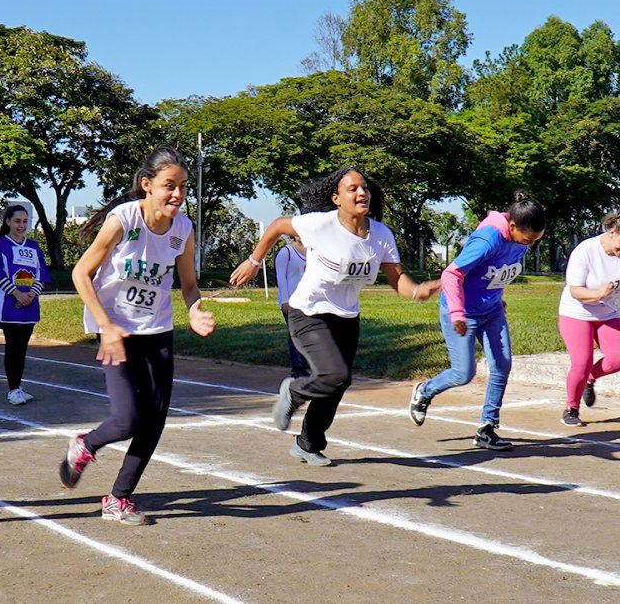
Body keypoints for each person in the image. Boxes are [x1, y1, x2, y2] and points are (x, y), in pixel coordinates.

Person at [231, 166, 439, 466]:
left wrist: (418, 290)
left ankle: (307, 443)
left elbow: (397, 279)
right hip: (308, 312)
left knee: (338, 383)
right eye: (352, 188)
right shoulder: (320, 225)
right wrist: (254, 261)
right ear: (336, 198)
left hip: (346, 317)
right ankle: (294, 390)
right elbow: (278, 225)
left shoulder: (380, 234)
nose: (361, 192)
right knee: (334, 374)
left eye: (364, 187)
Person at [58, 145, 215, 525]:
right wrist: (106, 327)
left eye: (182, 187)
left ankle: (118, 499)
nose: (177, 194)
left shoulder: (183, 229)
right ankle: (87, 443)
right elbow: (81, 274)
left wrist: (194, 311)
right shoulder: (124, 219)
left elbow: (189, 285)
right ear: (147, 185)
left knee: (155, 420)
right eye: (168, 186)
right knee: (128, 419)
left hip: (157, 330)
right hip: (117, 330)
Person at [409, 192, 546, 451]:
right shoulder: (488, 239)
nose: (530, 244)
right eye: (528, 239)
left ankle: (487, 428)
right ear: (513, 226)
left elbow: (496, 272)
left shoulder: (520, 239)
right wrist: (458, 313)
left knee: (502, 365)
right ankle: (424, 391)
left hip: (492, 310)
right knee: (463, 373)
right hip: (462, 312)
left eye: (535, 240)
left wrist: (497, 296)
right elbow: (452, 273)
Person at [557, 210, 620, 426]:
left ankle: (590, 378)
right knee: (582, 362)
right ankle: (571, 408)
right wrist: (598, 294)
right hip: (577, 312)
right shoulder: (585, 250)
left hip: (608, 311)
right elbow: (576, 290)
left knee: (619, 359)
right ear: (612, 232)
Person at [0, 205, 50, 405]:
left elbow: (42, 273)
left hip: (30, 305)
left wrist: (31, 294)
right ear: (8, 222)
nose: (21, 225)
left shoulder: (33, 246)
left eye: (25, 221)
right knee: (12, 347)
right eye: (17, 221)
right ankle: (13, 389)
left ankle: (18, 387)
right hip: (10, 306)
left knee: (22, 348)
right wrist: (16, 293)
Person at [274, 235, 309, 378]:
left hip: (308, 301)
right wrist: (284, 300)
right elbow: (281, 277)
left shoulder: (313, 251)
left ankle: (307, 365)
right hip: (291, 301)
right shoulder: (286, 252)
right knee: (295, 334)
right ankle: (297, 368)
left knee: (308, 334)